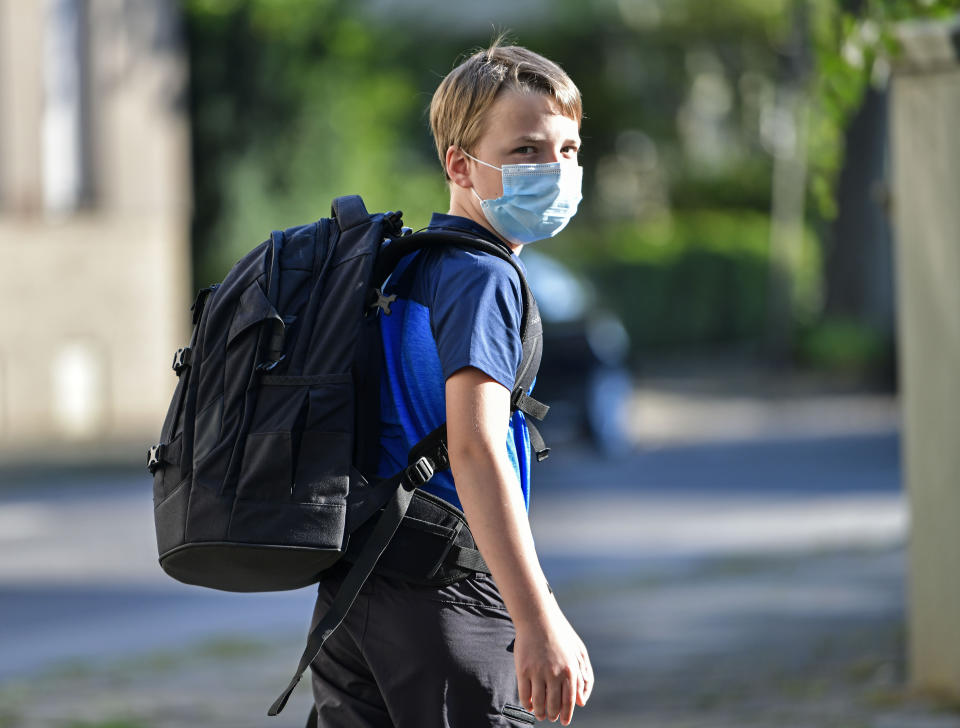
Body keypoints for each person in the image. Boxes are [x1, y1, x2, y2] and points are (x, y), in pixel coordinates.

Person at [308, 41, 594, 727]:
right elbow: (475, 447)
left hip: (356, 592)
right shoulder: (484, 277)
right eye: (526, 150)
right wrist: (537, 615)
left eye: (569, 150)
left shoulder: (404, 268)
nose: (554, 170)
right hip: (445, 594)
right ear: (460, 165)